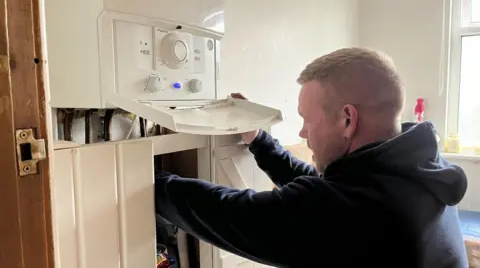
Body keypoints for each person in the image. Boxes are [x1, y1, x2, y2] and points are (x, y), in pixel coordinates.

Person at [154, 47, 468, 268]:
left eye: (307, 120)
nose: (303, 133)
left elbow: (234, 215)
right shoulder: (415, 169)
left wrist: (147, 182)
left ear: (347, 120)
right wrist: (259, 139)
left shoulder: (354, 211)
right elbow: (321, 188)